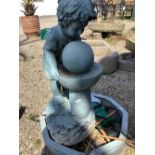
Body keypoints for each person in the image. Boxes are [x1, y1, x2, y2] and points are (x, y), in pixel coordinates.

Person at [43, 0, 96, 99]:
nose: (80, 32)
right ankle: (58, 98)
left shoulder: (74, 34)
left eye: (82, 28)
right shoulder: (54, 34)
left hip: (66, 61)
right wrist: (53, 67)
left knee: (68, 80)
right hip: (52, 60)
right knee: (56, 81)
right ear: (65, 20)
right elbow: (48, 51)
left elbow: (78, 46)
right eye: (77, 29)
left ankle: (68, 96)